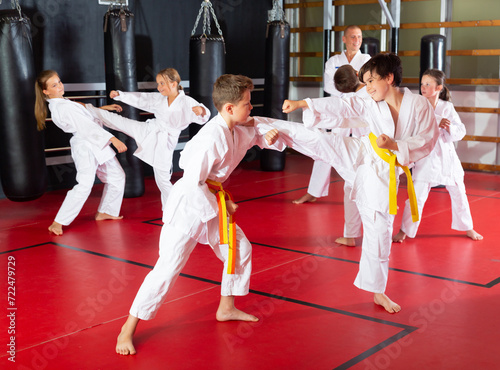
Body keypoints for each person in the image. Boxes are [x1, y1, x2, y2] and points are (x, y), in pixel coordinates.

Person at [115, 74, 283, 356]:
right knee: (168, 267)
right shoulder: (209, 139)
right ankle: (128, 328)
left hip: (211, 200)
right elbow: (193, 181)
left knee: (239, 249)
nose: (251, 108)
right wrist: (223, 205)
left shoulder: (237, 126)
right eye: (246, 103)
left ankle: (226, 307)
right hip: (189, 205)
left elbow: (255, 132)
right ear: (229, 108)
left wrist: (267, 136)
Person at [280, 53, 439, 313]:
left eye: (372, 81)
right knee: (322, 142)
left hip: (383, 172)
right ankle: (263, 129)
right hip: (362, 152)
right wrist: (303, 104)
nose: (368, 87)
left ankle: (378, 291)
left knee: (379, 232)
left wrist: (396, 145)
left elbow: (428, 139)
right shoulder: (366, 97)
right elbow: (343, 106)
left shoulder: (419, 105)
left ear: (389, 78)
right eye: (364, 82)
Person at [87, 68, 210, 210]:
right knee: (120, 122)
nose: (159, 87)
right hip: (151, 129)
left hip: (166, 141)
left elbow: (203, 115)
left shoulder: (186, 101)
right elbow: (142, 99)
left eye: (162, 83)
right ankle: (89, 110)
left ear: (174, 84)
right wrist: (120, 95)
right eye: (158, 84)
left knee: (162, 180)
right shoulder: (160, 99)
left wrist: (202, 111)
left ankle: (176, 210)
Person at [392, 69, 483, 242]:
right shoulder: (417, 105)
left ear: (439, 87)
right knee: (416, 196)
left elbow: (460, 130)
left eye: (428, 84)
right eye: (422, 84)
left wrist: (448, 127)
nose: (423, 87)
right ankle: (404, 230)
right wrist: (436, 121)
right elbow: (412, 129)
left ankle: (468, 227)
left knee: (459, 193)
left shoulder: (447, 107)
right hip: (426, 157)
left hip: (447, 157)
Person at [35, 70, 127, 236]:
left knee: (117, 177)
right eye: (54, 85)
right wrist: (113, 139)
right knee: (84, 185)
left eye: (59, 82)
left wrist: (103, 109)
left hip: (96, 143)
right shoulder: (61, 108)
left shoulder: (64, 103)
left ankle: (106, 211)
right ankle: (58, 222)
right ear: (46, 91)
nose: (60, 86)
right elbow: (86, 126)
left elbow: (83, 110)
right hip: (86, 145)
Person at [293, 25, 371, 206]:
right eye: (353, 37)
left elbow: (368, 82)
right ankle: (313, 191)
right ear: (344, 39)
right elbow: (330, 86)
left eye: (359, 37)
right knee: (327, 146)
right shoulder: (333, 60)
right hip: (339, 108)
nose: (356, 40)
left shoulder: (366, 59)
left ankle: (367, 189)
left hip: (360, 108)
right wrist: (347, 93)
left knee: (368, 147)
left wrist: (351, 91)